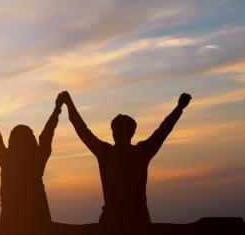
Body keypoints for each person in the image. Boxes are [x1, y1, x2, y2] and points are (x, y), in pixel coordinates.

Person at [61, 91, 191, 227]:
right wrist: (179, 108)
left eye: (118, 130)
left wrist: (69, 104)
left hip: (120, 219)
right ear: (132, 132)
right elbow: (163, 130)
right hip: (133, 218)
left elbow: (82, 130)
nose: (117, 133)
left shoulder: (107, 153)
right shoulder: (141, 152)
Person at [0, 96, 61, 234]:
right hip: (38, 217)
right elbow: (47, 134)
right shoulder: (37, 160)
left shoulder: (7, 160)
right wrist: (57, 109)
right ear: (32, 140)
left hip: (11, 219)